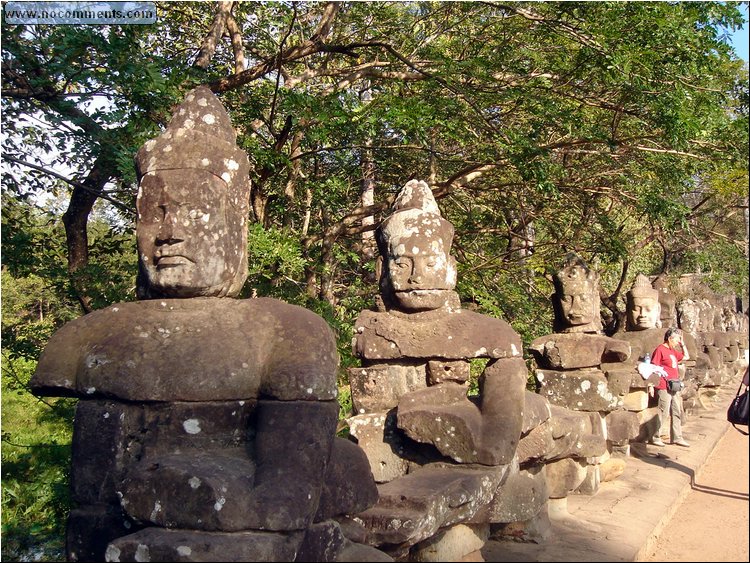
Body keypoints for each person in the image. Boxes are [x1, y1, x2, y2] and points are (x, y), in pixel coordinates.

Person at [650, 327, 691, 447]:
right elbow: (654, 368)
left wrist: (683, 345)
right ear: (669, 338)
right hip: (664, 385)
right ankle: (656, 436)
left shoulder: (673, 351)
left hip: (675, 385)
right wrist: (651, 385)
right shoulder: (660, 350)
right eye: (677, 339)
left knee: (677, 410)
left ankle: (677, 437)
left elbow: (686, 357)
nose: (678, 342)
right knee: (664, 411)